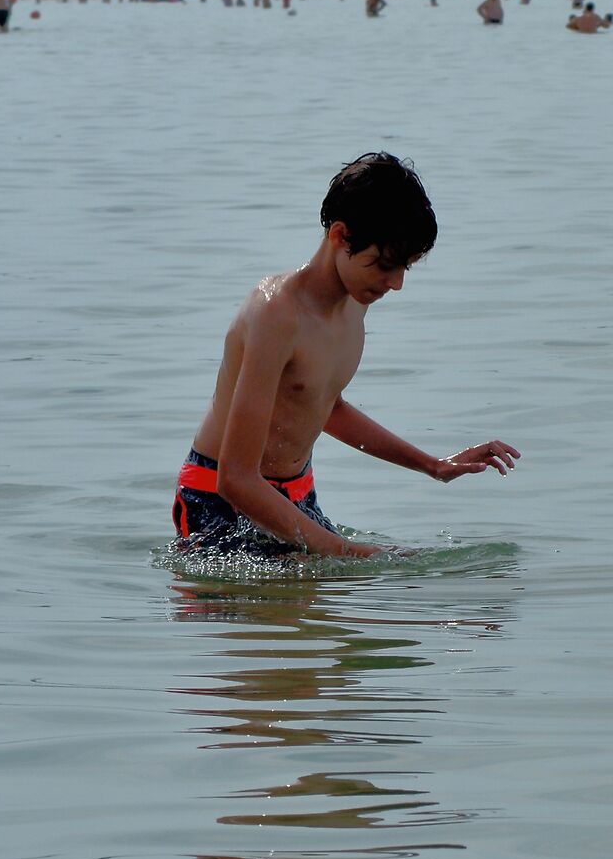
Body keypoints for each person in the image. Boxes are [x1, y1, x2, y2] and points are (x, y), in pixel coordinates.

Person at [173, 153, 518, 559]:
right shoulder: (276, 315)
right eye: (385, 265)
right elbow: (235, 479)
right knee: (349, 586)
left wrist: (434, 466)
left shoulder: (354, 304)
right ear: (340, 235)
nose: (397, 283)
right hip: (220, 502)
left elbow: (323, 406)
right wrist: (346, 550)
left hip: (294, 496)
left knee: (356, 600)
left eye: (406, 266)